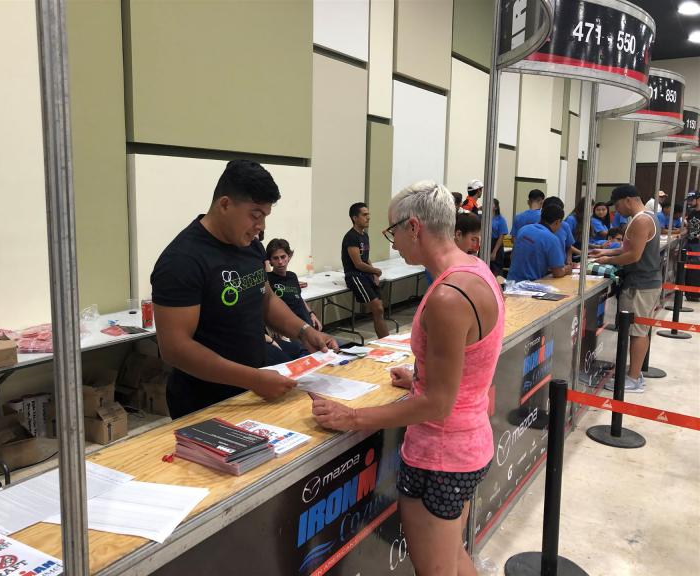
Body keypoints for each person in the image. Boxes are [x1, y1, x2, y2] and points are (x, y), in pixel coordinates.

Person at [312, 180, 504, 576]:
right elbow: (472, 361)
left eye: (393, 232)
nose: (394, 244)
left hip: (442, 455)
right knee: (453, 558)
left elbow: (438, 404)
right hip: (466, 445)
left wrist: (352, 417)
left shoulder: (448, 297)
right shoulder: (475, 270)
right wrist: (421, 377)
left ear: (413, 227)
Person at [151, 160, 337, 419]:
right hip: (205, 402)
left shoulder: (250, 246)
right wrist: (253, 379)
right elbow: (175, 348)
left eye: (265, 217)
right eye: (255, 215)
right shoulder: (182, 260)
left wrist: (304, 331)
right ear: (225, 204)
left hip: (253, 389)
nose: (261, 226)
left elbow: (265, 299)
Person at [590, 184, 662, 393]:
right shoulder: (643, 218)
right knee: (639, 331)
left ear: (628, 200)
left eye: (617, 205)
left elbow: (633, 255)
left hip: (641, 284)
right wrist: (606, 253)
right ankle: (634, 373)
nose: (616, 210)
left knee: (637, 332)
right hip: (643, 282)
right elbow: (626, 248)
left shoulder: (641, 221)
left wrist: (609, 261)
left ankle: (633, 378)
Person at [342, 202, 390, 339]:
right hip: (355, 276)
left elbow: (366, 258)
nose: (368, 217)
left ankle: (385, 340)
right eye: (364, 215)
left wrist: (374, 273)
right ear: (354, 218)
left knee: (380, 309)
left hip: (365, 274)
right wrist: (376, 271)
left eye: (368, 214)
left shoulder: (364, 235)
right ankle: (385, 340)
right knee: (377, 308)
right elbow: (358, 264)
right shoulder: (351, 237)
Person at [508, 203, 571, 281]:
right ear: (557, 222)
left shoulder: (523, 229)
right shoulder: (552, 239)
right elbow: (558, 273)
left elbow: (512, 256)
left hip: (511, 282)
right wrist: (567, 270)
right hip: (530, 284)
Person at [543, 197, 574, 263]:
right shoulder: (537, 227)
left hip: (561, 264)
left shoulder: (565, 226)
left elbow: (569, 246)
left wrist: (569, 259)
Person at [685, 191, 700, 301]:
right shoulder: (691, 213)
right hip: (690, 243)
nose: (689, 202)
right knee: (689, 269)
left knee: (696, 269)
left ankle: (695, 293)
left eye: (691, 200)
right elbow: (688, 228)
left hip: (698, 245)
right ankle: (689, 293)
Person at [490, 198, 509, 276]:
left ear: (496, 207)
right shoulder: (485, 218)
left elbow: (501, 237)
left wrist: (494, 252)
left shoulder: (501, 220)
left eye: (491, 203)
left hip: (496, 244)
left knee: (496, 270)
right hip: (487, 243)